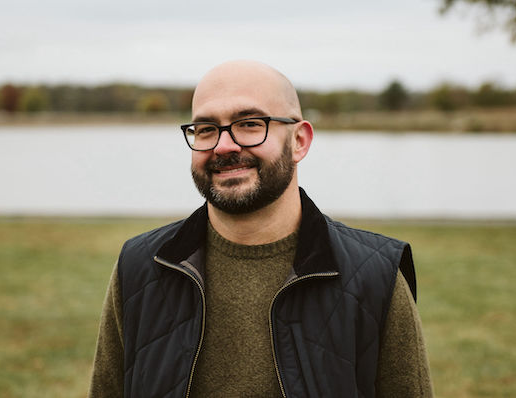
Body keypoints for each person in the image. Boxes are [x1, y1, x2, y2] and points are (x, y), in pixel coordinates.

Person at [88, 60, 433, 398]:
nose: (224, 145)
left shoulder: (376, 278)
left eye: (250, 124)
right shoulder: (139, 268)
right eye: (206, 129)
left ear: (299, 141)